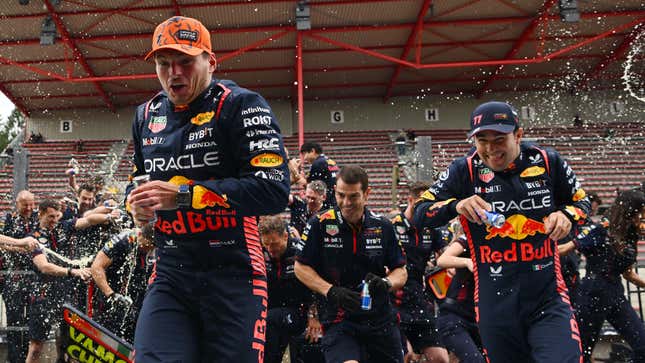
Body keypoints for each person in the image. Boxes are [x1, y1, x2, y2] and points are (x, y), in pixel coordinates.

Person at [126, 16, 289, 362]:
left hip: (234, 276)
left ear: (210, 62)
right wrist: (136, 204)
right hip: (171, 274)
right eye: (164, 63)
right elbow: (139, 180)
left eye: (185, 61)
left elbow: (273, 189)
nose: (174, 72)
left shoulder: (242, 105)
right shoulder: (145, 116)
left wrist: (184, 196)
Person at [414, 101, 589, 363]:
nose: (490, 148)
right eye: (482, 140)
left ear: (518, 135)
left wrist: (567, 215)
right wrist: (456, 205)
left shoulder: (547, 161)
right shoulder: (464, 170)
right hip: (494, 306)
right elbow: (419, 211)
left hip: (547, 299)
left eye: (499, 139)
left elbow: (581, 203)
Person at [294, 165, 408, 363]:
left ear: (367, 193)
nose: (346, 203)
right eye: (340, 195)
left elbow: (401, 271)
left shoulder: (383, 226)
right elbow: (300, 268)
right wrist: (331, 291)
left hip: (380, 320)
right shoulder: (319, 224)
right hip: (339, 320)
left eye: (353, 196)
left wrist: (386, 283)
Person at [562, 190, 645, 363]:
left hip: (615, 294)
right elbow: (565, 249)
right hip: (592, 294)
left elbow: (628, 274)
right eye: (641, 211)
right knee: (581, 352)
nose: (643, 217)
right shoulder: (600, 230)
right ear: (630, 211)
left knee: (642, 345)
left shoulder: (630, 234)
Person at [26, 199, 100, 363]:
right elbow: (44, 266)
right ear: (41, 213)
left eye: (56, 216)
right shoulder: (33, 238)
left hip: (65, 292)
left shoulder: (62, 227)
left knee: (68, 344)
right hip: (42, 294)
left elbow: (88, 220)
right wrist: (72, 271)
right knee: (36, 346)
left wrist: (109, 213)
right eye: (50, 216)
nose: (54, 220)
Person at [390, 181, 449, 363]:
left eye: (427, 206)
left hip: (418, 298)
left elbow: (445, 256)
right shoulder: (391, 226)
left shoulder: (430, 229)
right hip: (393, 297)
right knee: (405, 354)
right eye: (420, 205)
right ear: (410, 200)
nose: (424, 210)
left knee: (440, 357)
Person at [259, 215, 313, 363]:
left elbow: (316, 285)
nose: (270, 249)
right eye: (266, 244)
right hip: (270, 311)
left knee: (269, 320)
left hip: (298, 312)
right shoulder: (259, 253)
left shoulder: (301, 252)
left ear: (285, 236)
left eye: (275, 244)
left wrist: (314, 316)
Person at [90, 224, 155, 343]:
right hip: (112, 295)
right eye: (146, 246)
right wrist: (111, 295)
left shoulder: (156, 247)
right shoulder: (124, 240)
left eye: (151, 247)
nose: (148, 250)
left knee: (132, 339)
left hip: (136, 299)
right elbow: (96, 267)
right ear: (140, 234)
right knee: (105, 337)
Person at [436, 226, 486, 363]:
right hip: (454, 316)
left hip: (482, 318)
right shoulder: (471, 239)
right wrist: (466, 262)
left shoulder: (504, 245)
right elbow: (442, 260)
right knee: (475, 360)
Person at [1, 190, 40, 363]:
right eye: (26, 205)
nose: (30, 208)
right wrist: (21, 247)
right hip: (13, 276)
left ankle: (27, 357)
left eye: (32, 204)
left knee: (31, 319)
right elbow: (2, 244)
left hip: (35, 276)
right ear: (17, 203)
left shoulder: (38, 218)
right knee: (14, 319)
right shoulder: (8, 219)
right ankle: (14, 358)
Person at [300, 141, 339, 209]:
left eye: (304, 154)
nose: (304, 158)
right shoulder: (329, 161)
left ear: (312, 151)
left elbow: (311, 186)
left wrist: (297, 176)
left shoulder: (318, 163)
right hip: (334, 200)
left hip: (326, 203)